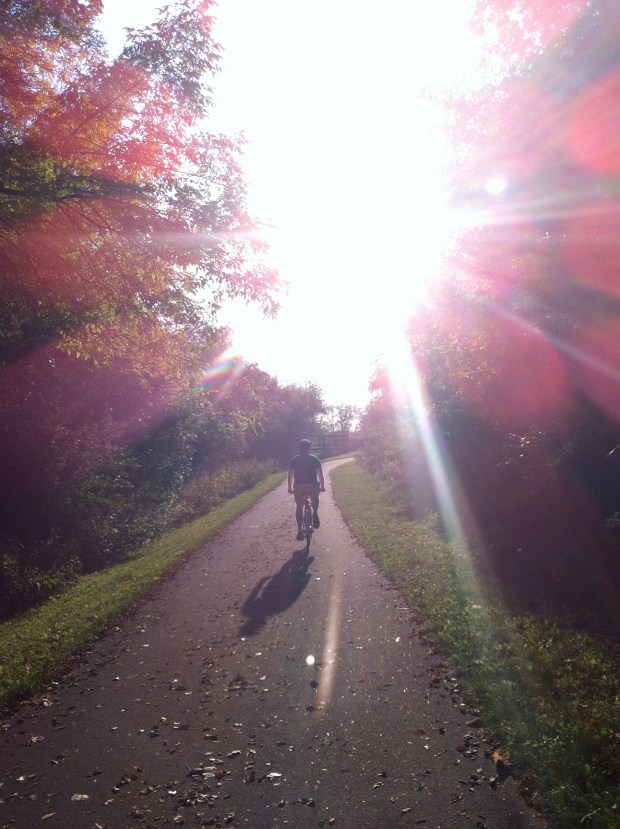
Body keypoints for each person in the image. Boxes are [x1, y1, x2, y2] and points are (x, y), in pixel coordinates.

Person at [288, 439, 325, 541]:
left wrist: (289, 488)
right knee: (315, 498)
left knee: (299, 508)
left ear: (299, 448)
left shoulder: (294, 460)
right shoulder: (315, 459)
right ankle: (315, 513)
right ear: (309, 448)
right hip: (312, 485)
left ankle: (300, 531)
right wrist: (322, 486)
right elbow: (320, 475)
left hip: (299, 486)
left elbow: (290, 476)